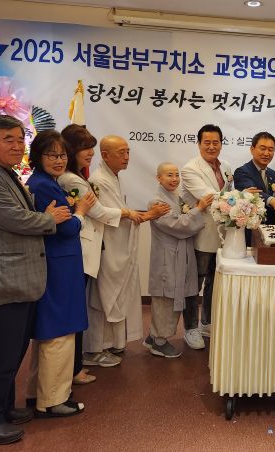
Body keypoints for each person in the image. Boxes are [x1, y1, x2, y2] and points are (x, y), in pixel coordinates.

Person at [0, 115, 71, 444]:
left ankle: (3, 409)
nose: (17, 145)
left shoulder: (5, 172)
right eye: (8, 139)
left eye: (19, 138)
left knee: (11, 354)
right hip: (1, 280)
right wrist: (49, 218)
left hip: (17, 280)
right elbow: (14, 219)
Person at [25, 130, 95, 417]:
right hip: (59, 266)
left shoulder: (44, 183)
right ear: (38, 156)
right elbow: (67, 228)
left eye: (62, 155)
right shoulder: (44, 186)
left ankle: (39, 394)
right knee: (60, 332)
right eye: (51, 155)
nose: (59, 160)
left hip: (56, 264)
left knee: (51, 332)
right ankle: (53, 400)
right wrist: (80, 211)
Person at [83, 135, 170, 366]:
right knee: (103, 297)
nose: (126, 157)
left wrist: (139, 215)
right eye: (121, 152)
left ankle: (111, 342)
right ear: (105, 155)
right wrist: (148, 215)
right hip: (108, 248)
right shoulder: (99, 180)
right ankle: (93, 349)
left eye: (128, 151)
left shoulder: (112, 177)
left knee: (115, 295)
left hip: (117, 245)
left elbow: (121, 212)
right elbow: (109, 214)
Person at [144, 163, 213, 358]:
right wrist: (198, 209)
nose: (174, 179)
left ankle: (153, 337)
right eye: (169, 175)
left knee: (174, 296)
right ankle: (159, 342)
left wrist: (195, 209)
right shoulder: (157, 202)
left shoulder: (176, 196)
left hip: (180, 254)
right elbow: (178, 225)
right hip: (167, 257)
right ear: (158, 178)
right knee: (165, 298)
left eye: (176, 175)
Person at [58, 125, 110, 383]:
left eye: (91, 147)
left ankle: (75, 366)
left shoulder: (76, 177)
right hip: (78, 249)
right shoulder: (72, 180)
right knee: (74, 312)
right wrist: (127, 213)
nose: (90, 152)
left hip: (81, 249)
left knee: (76, 310)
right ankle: (73, 369)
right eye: (84, 148)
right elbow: (98, 211)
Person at [180, 124, 233, 343]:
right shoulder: (190, 169)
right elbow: (210, 196)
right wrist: (240, 199)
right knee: (195, 282)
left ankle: (207, 322)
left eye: (216, 142)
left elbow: (228, 194)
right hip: (201, 233)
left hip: (222, 235)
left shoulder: (226, 166)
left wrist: (236, 198)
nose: (212, 147)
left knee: (214, 280)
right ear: (199, 144)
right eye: (207, 142)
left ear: (221, 143)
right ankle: (190, 328)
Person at [234, 131, 275, 244]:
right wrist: (273, 200)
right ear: (252, 149)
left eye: (271, 149)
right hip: (248, 234)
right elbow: (252, 193)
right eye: (262, 148)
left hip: (270, 234)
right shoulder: (242, 172)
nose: (266, 153)